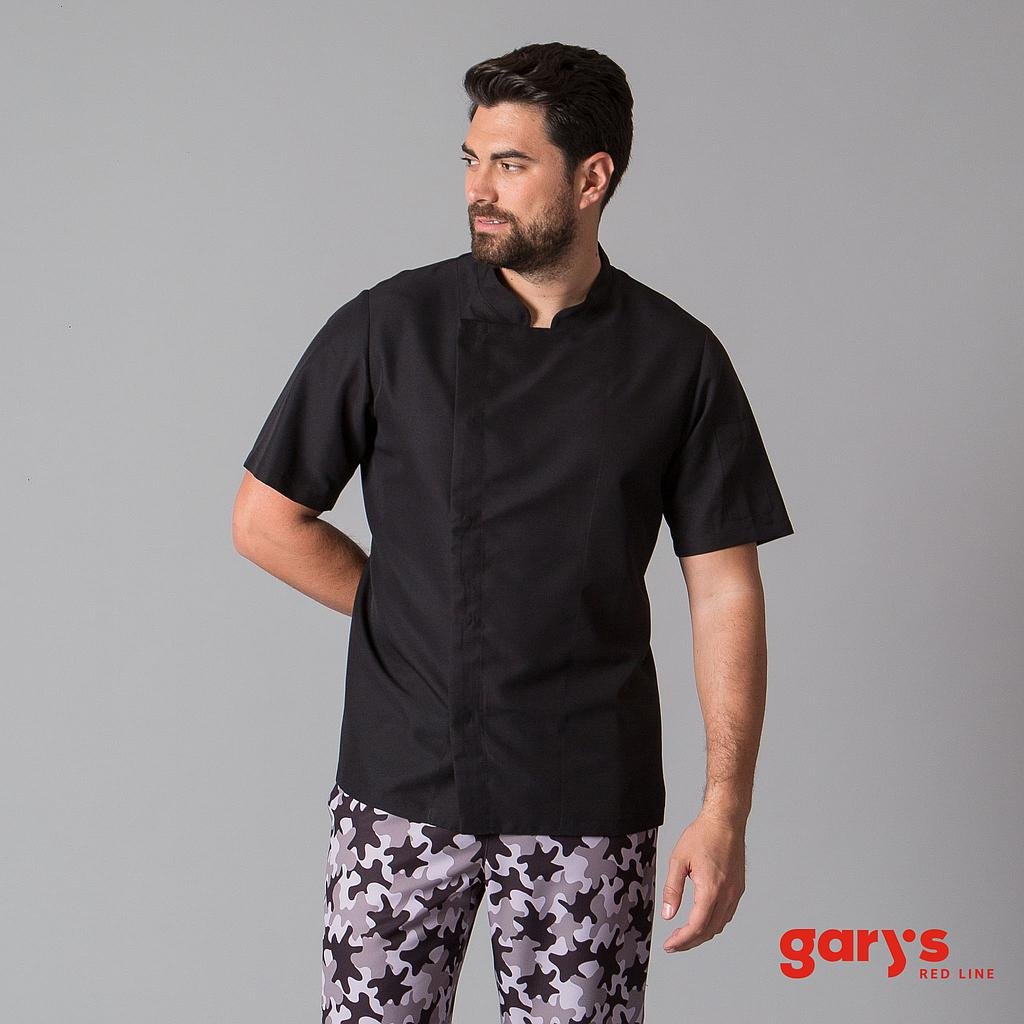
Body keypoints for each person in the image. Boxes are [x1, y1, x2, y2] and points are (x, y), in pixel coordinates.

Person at [233, 40, 794, 1024]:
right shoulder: (388, 328)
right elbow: (265, 520)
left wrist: (724, 810)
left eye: (510, 163)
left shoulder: (677, 359)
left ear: (591, 178)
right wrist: (422, 613)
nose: (478, 190)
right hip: (400, 789)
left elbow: (724, 588)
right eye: (470, 160)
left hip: (588, 800)